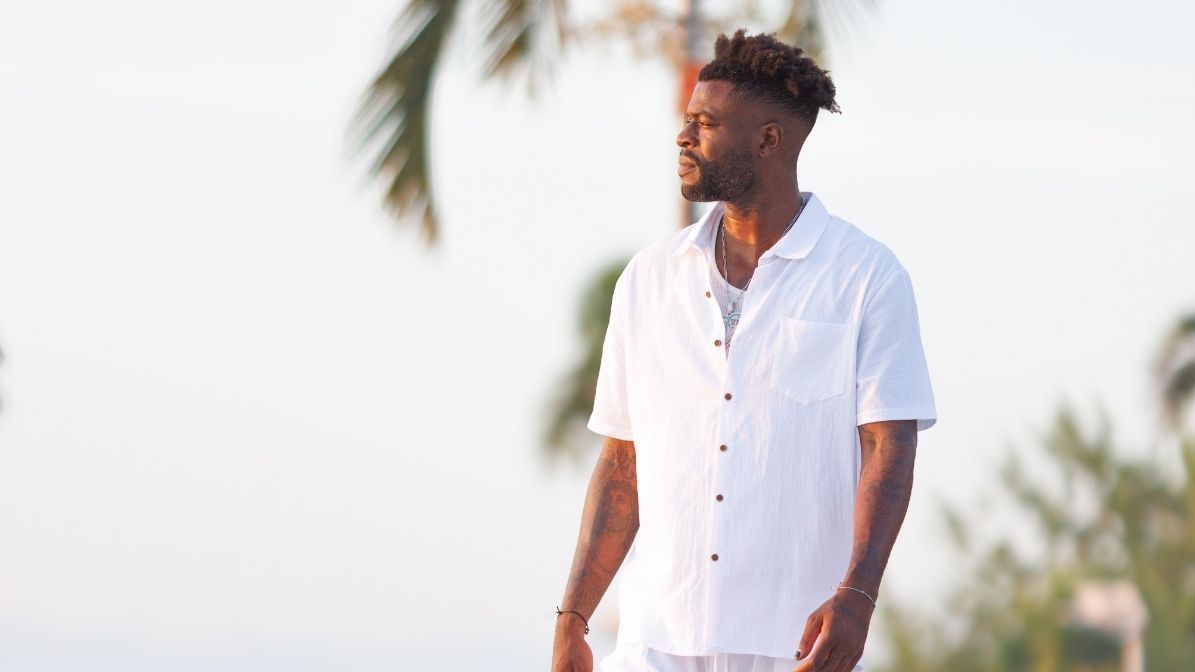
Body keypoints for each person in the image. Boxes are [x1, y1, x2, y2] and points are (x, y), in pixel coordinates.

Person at [551, 29, 937, 672]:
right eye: (687, 120)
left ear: (768, 140)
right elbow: (622, 465)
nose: (683, 137)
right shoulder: (649, 279)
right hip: (655, 642)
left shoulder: (865, 276)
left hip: (796, 643)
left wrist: (858, 597)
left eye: (705, 123)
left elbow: (888, 448)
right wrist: (574, 617)